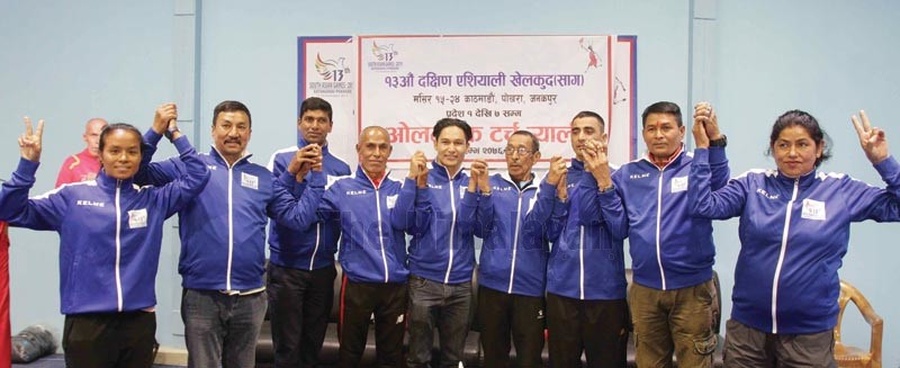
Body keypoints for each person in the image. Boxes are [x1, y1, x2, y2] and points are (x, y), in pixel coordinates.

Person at [689, 109, 900, 367]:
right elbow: (704, 206)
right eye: (783, 145)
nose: (792, 153)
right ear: (773, 148)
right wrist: (705, 148)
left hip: (809, 336)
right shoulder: (753, 185)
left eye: (802, 144)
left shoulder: (839, 190)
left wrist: (883, 161)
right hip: (748, 331)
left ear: (819, 148)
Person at [0, 110, 210, 368]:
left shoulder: (153, 200)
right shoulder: (71, 198)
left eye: (132, 151)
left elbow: (199, 175)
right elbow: (10, 211)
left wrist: (173, 134)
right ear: (100, 154)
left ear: (141, 156)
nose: (124, 158)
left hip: (139, 322)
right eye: (115, 151)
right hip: (88, 323)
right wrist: (27, 165)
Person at [134, 101, 328, 367]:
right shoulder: (189, 167)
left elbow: (298, 218)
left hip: (251, 297)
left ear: (250, 132)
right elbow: (139, 172)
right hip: (202, 295)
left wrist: (316, 177)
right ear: (213, 130)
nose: (233, 132)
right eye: (226, 125)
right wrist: (155, 132)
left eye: (241, 127)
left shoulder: (263, 177)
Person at [593, 101, 728, 367]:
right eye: (651, 128)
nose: (658, 134)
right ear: (643, 134)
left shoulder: (696, 166)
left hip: (692, 289)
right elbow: (619, 228)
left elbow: (720, 186)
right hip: (645, 291)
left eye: (666, 127)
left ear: (680, 130)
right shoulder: (628, 174)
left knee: (695, 362)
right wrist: (605, 186)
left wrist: (716, 142)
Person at [322, 126, 418, 368]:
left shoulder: (400, 188)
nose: (376, 153)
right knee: (350, 354)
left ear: (389, 151)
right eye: (370, 146)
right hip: (358, 285)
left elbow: (411, 225)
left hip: (395, 286)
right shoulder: (340, 188)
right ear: (359, 150)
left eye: (382, 147)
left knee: (392, 356)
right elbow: (307, 216)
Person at [266, 96, 351, 368]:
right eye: (309, 119)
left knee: (313, 344)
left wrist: (305, 204)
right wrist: (295, 177)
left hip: (324, 269)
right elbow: (276, 205)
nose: (315, 125)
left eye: (321, 120)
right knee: (287, 346)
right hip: (287, 268)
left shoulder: (341, 168)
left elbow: (336, 211)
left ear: (330, 126)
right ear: (299, 123)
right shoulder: (281, 159)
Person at [474, 130, 566, 367]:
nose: (514, 156)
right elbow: (480, 229)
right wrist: (484, 193)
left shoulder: (546, 189)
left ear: (536, 157)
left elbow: (551, 233)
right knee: (493, 358)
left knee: (529, 359)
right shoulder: (492, 184)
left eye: (521, 151)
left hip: (530, 290)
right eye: (509, 150)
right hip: (492, 287)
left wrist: (558, 197)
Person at [544, 111, 629, 367]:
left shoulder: (620, 176)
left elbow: (620, 229)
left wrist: (602, 181)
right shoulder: (559, 175)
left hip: (605, 294)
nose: (581, 137)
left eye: (588, 131)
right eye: (575, 131)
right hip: (562, 292)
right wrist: (557, 199)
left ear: (604, 137)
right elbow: (547, 233)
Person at [405, 118, 483, 368]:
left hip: (461, 285)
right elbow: (410, 224)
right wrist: (418, 184)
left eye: (458, 143)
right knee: (418, 358)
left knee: (453, 359)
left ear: (467, 146)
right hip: (423, 282)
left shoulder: (472, 182)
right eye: (446, 142)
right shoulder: (422, 177)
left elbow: (478, 228)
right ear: (435, 143)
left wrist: (475, 188)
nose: (452, 148)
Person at [55, 117, 108, 187]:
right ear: (85, 137)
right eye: (94, 135)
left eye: (102, 136)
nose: (98, 141)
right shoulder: (72, 162)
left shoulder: (114, 163)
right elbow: (59, 194)